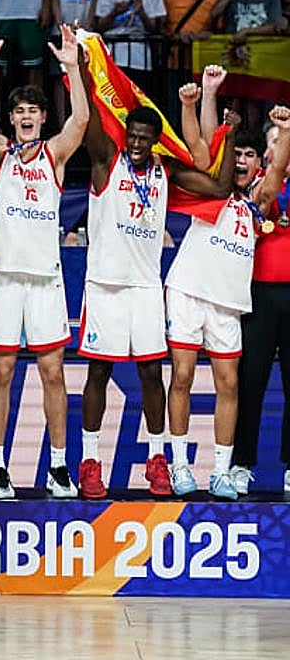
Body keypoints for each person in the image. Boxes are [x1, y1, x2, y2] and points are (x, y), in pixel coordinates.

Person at [77, 84, 235, 499]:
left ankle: (157, 459)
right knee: (98, 372)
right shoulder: (106, 161)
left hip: (146, 287)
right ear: (124, 135)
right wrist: (80, 67)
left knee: (151, 375)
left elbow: (219, 190)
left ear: (155, 141)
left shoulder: (166, 171)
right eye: (132, 136)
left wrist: (230, 134)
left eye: (145, 138)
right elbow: (91, 121)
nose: (136, 143)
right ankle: (90, 462)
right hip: (106, 284)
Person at [0, 24, 88, 499]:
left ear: (42, 118)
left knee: (53, 373)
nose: (24, 117)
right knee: (0, 373)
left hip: (45, 279)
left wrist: (71, 66)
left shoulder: (54, 156)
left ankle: (59, 467)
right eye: (17, 111)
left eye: (32, 111)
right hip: (3, 277)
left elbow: (80, 122)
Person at [167, 77, 290, 499]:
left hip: (229, 305)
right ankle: (179, 465)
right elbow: (201, 139)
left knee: (230, 385)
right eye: (236, 153)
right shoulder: (210, 188)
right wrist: (207, 97)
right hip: (187, 291)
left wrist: (286, 132)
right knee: (181, 376)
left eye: (250, 156)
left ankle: (222, 471)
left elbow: (277, 172)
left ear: (259, 163)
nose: (241, 161)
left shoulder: (259, 203)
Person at [233, 108, 290, 496]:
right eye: (275, 141)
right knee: (249, 384)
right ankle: (240, 464)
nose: (278, 148)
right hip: (256, 295)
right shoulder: (249, 189)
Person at [94, 0, 166, 94]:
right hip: (113, 56)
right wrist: (115, 12)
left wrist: (141, 12)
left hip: (140, 58)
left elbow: (155, 28)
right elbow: (99, 25)